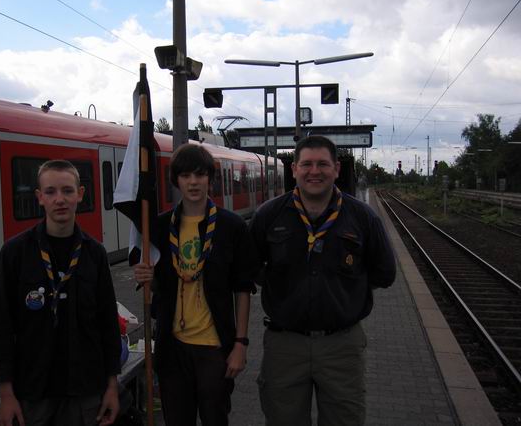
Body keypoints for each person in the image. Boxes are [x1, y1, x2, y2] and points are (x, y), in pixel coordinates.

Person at [250, 135, 396, 426]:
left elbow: (385, 273)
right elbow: (250, 267)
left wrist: (348, 290)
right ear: (294, 169)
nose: (314, 171)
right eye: (306, 164)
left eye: (322, 164)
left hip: (341, 347)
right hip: (284, 347)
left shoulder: (363, 218)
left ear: (336, 169)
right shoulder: (269, 215)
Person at [133, 144, 256, 426]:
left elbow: (243, 288)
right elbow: (156, 285)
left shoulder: (231, 227)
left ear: (210, 179)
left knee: (215, 418)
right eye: (186, 175)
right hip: (172, 348)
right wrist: (145, 276)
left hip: (214, 348)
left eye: (200, 175)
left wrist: (240, 344)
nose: (193, 182)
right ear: (176, 180)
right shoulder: (159, 228)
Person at [0, 160, 121, 426]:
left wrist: (112, 386)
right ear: (39, 197)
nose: (59, 199)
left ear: (80, 194)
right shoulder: (15, 253)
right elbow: (3, 327)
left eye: (67, 191)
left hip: (85, 389)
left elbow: (108, 323)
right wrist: (6, 394)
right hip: (33, 392)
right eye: (50, 192)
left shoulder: (95, 254)